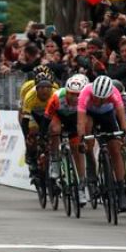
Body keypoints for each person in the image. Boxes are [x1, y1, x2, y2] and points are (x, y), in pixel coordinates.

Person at [76, 75, 126, 212]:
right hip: (89, 114)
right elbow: (80, 122)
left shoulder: (114, 93)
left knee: (116, 151)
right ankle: (92, 175)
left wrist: (125, 132)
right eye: (97, 98)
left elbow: (121, 115)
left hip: (107, 114)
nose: (99, 101)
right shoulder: (85, 93)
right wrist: (82, 139)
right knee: (87, 134)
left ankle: (121, 191)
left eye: (103, 98)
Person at [44, 74, 89, 206]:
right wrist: (42, 134)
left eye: (77, 95)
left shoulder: (86, 100)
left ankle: (81, 186)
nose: (74, 97)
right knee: (55, 129)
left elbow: (86, 121)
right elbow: (47, 117)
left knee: (78, 151)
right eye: (71, 94)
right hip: (58, 117)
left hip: (75, 120)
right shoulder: (57, 97)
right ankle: (55, 160)